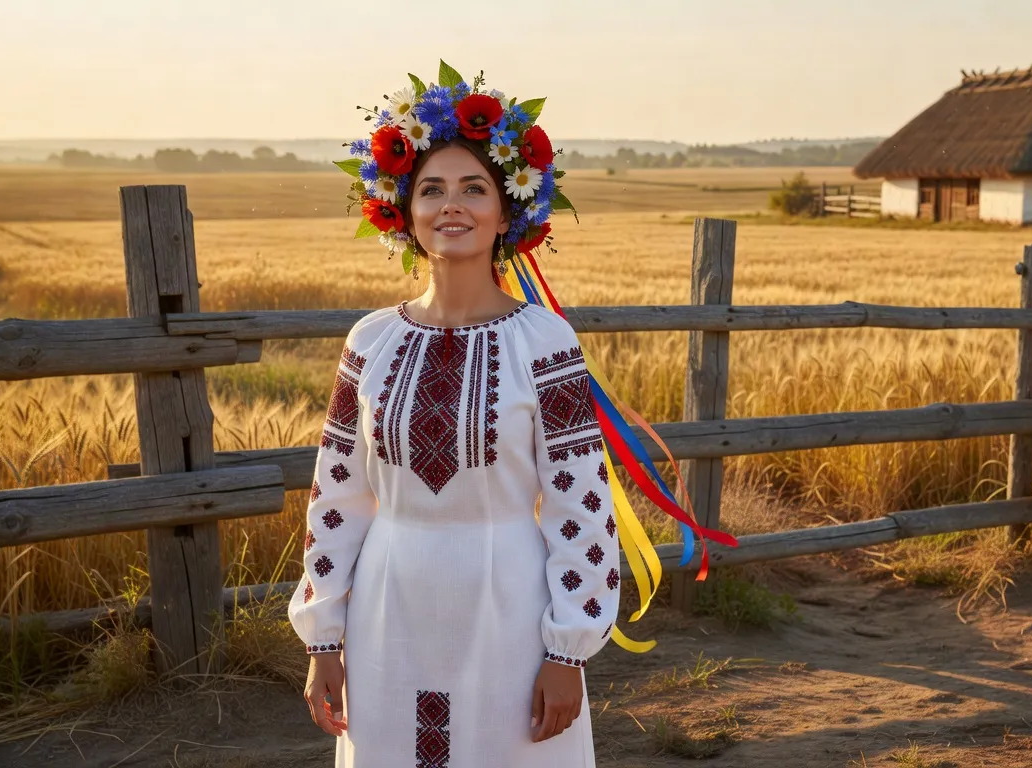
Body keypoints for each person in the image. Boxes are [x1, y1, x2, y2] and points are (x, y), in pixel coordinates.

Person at [287, 62, 733, 767]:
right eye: (431, 189)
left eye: (474, 188)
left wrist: (568, 649)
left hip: (508, 607)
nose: (451, 205)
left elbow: (580, 504)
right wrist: (323, 640)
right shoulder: (369, 341)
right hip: (386, 607)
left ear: (507, 211)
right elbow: (336, 496)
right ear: (404, 211)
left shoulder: (544, 341)